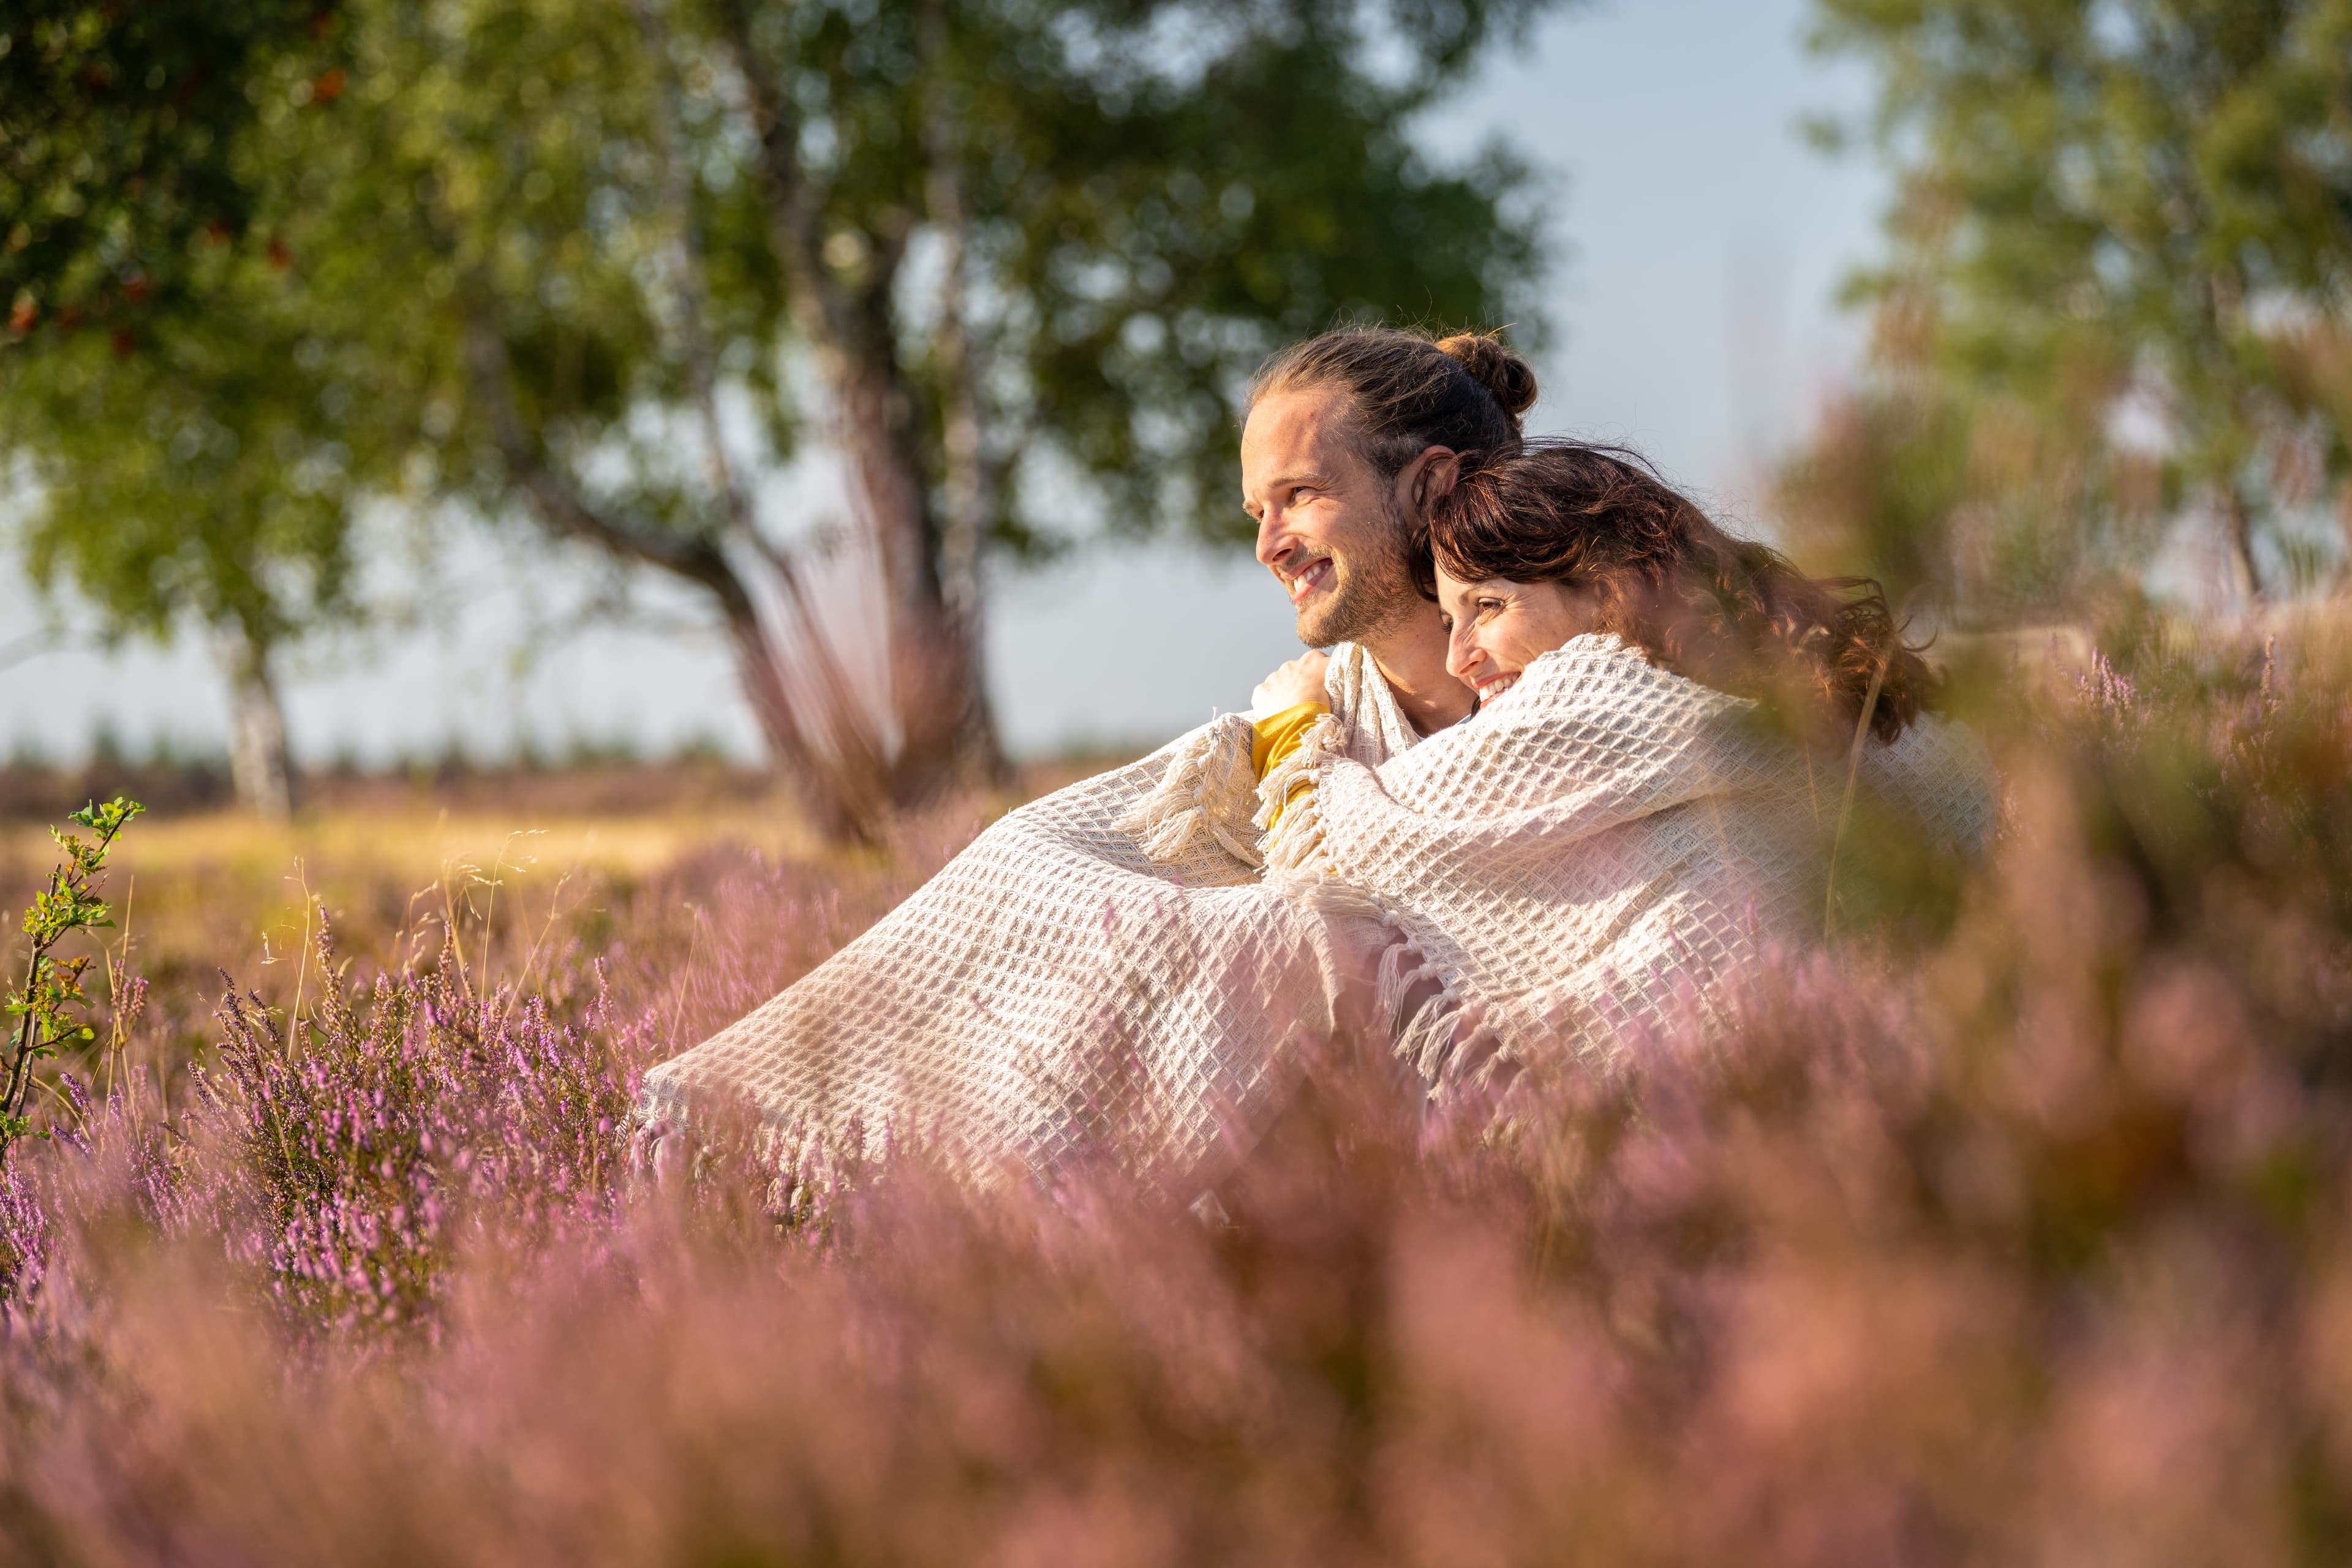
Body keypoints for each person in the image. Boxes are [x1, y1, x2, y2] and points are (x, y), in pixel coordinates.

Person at [639, 326, 1535, 1192]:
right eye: (1258, 512)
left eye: (1300, 494)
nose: (1268, 545)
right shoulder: (1299, 711)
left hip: (1507, 1184)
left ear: (1429, 486)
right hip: (1335, 1191)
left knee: (1285, 928)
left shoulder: (1573, 701)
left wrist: (1301, 752)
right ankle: (813, 1151)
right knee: (1037, 855)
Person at [1249, 439, 1998, 1084]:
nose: (1460, 656)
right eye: (1451, 619)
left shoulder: (1593, 699)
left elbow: (1343, 868)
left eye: (1489, 607)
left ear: (1605, 588)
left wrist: (1294, 725)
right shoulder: (1789, 683)